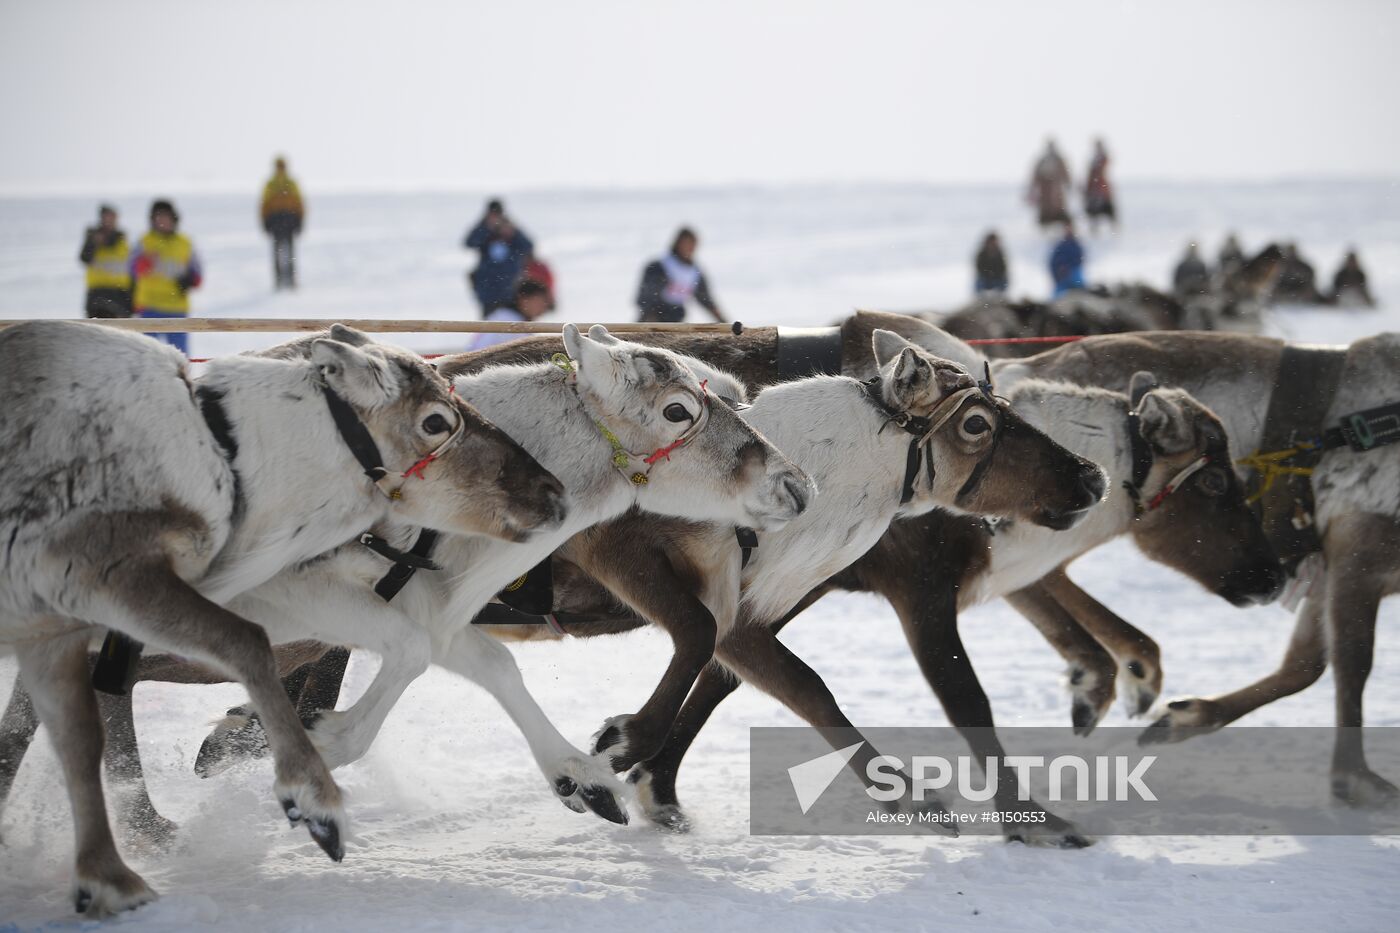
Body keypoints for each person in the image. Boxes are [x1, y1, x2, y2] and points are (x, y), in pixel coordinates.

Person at [130, 199, 202, 355]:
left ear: (174, 218)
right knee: (147, 356)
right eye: (158, 217)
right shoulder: (145, 241)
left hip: (176, 309)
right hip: (149, 306)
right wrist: (145, 263)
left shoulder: (185, 243)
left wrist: (188, 281)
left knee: (180, 357)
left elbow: (197, 276)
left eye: (166, 217)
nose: (162, 221)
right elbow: (131, 270)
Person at [636, 227, 726, 323]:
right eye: (686, 244)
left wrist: (725, 323)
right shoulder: (660, 266)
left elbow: (706, 300)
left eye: (692, 245)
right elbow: (647, 297)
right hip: (653, 317)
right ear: (678, 243)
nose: (690, 248)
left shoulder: (694, 272)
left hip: (676, 317)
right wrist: (649, 320)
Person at [464, 198, 533, 314]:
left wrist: (513, 233)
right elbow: (469, 243)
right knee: (490, 319)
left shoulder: (510, 228)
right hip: (489, 287)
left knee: (512, 319)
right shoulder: (484, 229)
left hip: (510, 286)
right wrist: (486, 229)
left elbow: (528, 246)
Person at [78, 204, 132, 318]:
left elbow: (130, 267)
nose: (110, 221)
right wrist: (93, 243)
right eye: (107, 217)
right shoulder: (93, 236)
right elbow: (84, 258)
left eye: (112, 217)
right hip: (98, 291)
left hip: (119, 292)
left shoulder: (121, 238)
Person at [468, 279, 553, 351]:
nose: (542, 308)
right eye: (539, 302)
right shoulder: (510, 321)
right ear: (523, 299)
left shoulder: (504, 315)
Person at [260, 156, 304, 289]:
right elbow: (264, 205)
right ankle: (279, 280)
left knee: (289, 252)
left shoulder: (290, 183)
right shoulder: (271, 184)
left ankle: (290, 279)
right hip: (277, 222)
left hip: (288, 221)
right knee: (279, 252)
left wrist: (299, 220)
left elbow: (299, 204)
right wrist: (265, 221)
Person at [1027, 138, 1072, 229]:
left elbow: (1065, 175)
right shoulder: (1042, 160)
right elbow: (1035, 176)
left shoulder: (1058, 160)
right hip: (1046, 194)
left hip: (1056, 193)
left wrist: (1067, 183)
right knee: (1046, 215)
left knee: (1059, 212)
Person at [1083, 139, 1117, 234]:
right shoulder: (1093, 160)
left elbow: (1104, 168)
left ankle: (1113, 229)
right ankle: (1094, 229)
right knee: (1093, 211)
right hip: (1094, 189)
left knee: (1108, 209)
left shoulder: (1103, 158)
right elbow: (1090, 175)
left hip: (1102, 189)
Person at [1048, 221, 1086, 297]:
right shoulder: (1061, 245)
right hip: (1063, 276)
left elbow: (1079, 259)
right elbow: (1054, 261)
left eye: (1070, 229)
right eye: (1067, 229)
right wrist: (1060, 269)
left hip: (1074, 273)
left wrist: (1070, 267)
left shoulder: (1076, 245)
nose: (1069, 231)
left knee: (1079, 286)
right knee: (1059, 293)